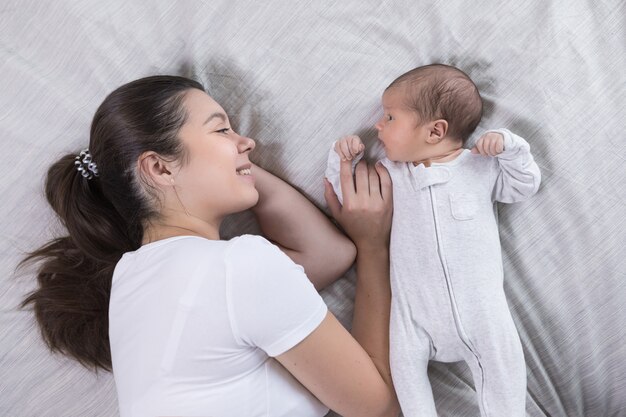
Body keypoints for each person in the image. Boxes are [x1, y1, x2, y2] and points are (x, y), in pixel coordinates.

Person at [20, 75, 399, 417]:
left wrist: (232, 164)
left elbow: (326, 255)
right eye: (221, 130)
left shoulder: (131, 280)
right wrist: (375, 246)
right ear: (159, 168)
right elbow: (380, 408)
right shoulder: (238, 267)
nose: (247, 141)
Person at [326, 64, 541, 417]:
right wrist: (341, 159)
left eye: (390, 118)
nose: (378, 125)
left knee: (506, 377)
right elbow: (346, 193)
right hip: (414, 319)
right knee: (406, 376)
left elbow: (524, 185)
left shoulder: (480, 167)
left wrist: (509, 146)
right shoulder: (392, 174)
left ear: (435, 131)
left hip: (483, 314)